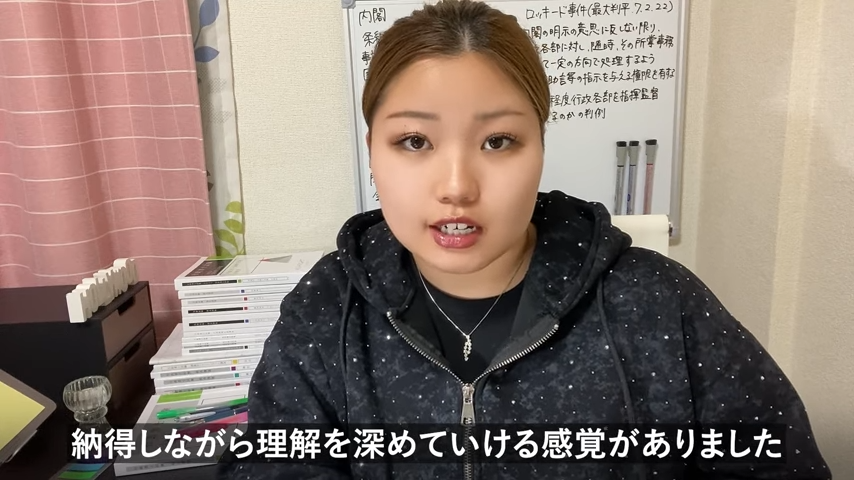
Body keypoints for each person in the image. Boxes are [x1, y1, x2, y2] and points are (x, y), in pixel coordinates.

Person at [217, 0, 830, 478]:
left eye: (498, 141)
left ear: (539, 147)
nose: (456, 187)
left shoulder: (657, 302)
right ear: (373, 151)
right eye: (414, 141)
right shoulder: (327, 309)